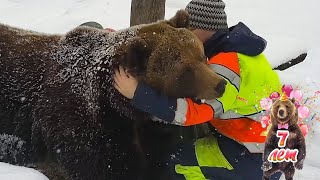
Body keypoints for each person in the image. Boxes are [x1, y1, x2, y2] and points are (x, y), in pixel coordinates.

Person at [114, 0, 282, 179]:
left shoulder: (224, 68)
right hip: (262, 145)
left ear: (207, 29)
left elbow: (193, 112)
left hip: (256, 158)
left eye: (190, 30)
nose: (185, 36)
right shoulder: (237, 49)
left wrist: (138, 94)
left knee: (172, 162)